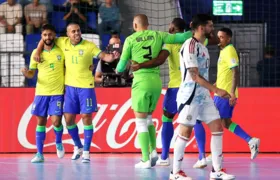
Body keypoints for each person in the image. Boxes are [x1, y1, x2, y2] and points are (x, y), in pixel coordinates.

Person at [34, 23, 119, 163]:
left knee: (86, 116)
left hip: (86, 86)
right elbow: (45, 40)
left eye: (78, 31)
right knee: (68, 119)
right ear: (67, 34)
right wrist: (37, 51)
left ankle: (86, 151)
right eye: (73, 31)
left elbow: (104, 56)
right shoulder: (62, 42)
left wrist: (112, 56)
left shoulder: (89, 45)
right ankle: (78, 145)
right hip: (69, 87)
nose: (76, 33)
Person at [116, 14, 192, 169]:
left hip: (141, 82)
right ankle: (153, 152)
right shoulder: (159, 35)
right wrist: (194, 28)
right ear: (148, 24)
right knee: (149, 118)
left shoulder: (130, 40)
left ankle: (145, 159)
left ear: (135, 26)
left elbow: (121, 67)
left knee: (140, 121)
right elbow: (183, 36)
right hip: (156, 83)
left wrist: (118, 64)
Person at [170, 14, 235, 179]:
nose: (212, 29)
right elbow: (194, 76)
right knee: (185, 131)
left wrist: (211, 89)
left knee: (217, 127)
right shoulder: (190, 46)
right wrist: (216, 90)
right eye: (210, 26)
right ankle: (175, 173)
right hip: (190, 96)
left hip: (203, 96)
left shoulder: (202, 45)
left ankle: (216, 171)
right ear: (201, 27)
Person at [194, 27, 261, 168]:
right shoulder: (223, 51)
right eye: (218, 36)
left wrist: (231, 93)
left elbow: (235, 72)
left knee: (211, 122)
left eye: (222, 37)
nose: (219, 39)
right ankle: (250, 140)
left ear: (228, 39)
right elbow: (226, 73)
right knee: (225, 123)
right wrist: (216, 83)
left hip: (224, 95)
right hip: (221, 92)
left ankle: (215, 154)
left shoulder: (230, 50)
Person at [21, 24, 65, 163]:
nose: (48, 37)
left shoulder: (61, 51)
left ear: (54, 36)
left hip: (57, 92)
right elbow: (31, 73)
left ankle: (58, 142)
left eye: (50, 34)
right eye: (45, 35)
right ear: (42, 36)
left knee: (56, 121)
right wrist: (26, 72)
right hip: (41, 92)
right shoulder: (36, 53)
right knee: (41, 122)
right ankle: (40, 154)